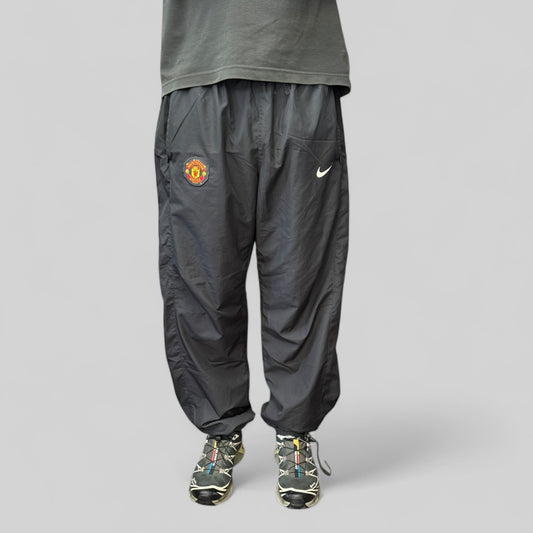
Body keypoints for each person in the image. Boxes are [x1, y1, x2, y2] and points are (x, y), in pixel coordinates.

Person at [154, 0, 351, 509]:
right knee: (203, 278)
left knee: (301, 275)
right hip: (204, 74)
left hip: (303, 70)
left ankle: (296, 433)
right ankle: (220, 429)